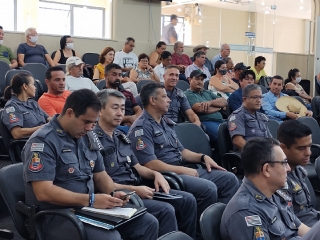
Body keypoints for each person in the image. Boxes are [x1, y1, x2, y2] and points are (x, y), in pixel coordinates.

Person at [21, 89, 159, 240]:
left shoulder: (88, 135)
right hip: (55, 216)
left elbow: (100, 175)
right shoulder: (43, 141)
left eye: (94, 123)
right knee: (109, 238)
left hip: (86, 208)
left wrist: (112, 192)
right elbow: (43, 192)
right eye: (86, 122)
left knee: (147, 223)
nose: (89, 128)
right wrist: (91, 200)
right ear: (69, 113)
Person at [128, 82, 239, 240]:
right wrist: (184, 170)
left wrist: (202, 157)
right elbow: (150, 164)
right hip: (167, 176)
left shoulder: (165, 122)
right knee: (208, 189)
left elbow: (183, 151)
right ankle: (200, 235)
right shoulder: (141, 128)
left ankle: (221, 228)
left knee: (229, 179)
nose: (169, 100)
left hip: (183, 169)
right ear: (153, 100)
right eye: (165, 97)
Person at [94, 89, 197, 238]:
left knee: (187, 200)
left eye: (122, 108)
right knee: (165, 210)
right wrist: (136, 189)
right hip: (119, 195)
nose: (120, 113)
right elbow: (101, 184)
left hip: (137, 187)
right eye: (114, 108)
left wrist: (156, 174)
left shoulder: (120, 135)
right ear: (100, 111)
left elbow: (138, 167)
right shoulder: (92, 140)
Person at [220, 137, 320, 240]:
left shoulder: (274, 195)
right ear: (266, 169)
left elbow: (301, 229)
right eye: (284, 163)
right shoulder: (246, 212)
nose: (288, 169)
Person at [277, 120, 320, 227]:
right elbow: (288, 222)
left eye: (309, 146)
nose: (308, 153)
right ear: (283, 148)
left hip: (313, 218)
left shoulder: (297, 168)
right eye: (301, 148)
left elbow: (308, 209)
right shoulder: (277, 178)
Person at [2, 73, 50, 139]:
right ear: (25, 86)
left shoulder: (32, 103)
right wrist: (43, 128)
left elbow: (49, 119)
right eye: (33, 84)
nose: (35, 88)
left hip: (44, 138)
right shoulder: (12, 107)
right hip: (31, 144)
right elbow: (17, 133)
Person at [185, 70, 226, 144]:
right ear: (190, 80)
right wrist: (219, 107)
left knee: (237, 133)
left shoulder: (207, 92)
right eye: (197, 79)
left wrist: (210, 103)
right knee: (224, 137)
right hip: (206, 122)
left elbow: (224, 102)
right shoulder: (187, 94)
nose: (200, 82)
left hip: (221, 121)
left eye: (202, 79)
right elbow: (201, 109)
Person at [228, 84, 271, 151]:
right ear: (245, 99)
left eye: (260, 97)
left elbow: (270, 139)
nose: (259, 100)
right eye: (255, 97)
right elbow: (237, 141)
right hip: (250, 155)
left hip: (266, 153)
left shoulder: (261, 116)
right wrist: (256, 153)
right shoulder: (237, 116)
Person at [103, 63, 142, 132]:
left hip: (133, 125)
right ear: (106, 76)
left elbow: (138, 109)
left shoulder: (127, 93)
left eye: (120, 75)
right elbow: (105, 116)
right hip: (115, 128)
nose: (118, 78)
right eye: (114, 74)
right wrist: (127, 119)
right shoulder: (103, 96)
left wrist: (134, 119)